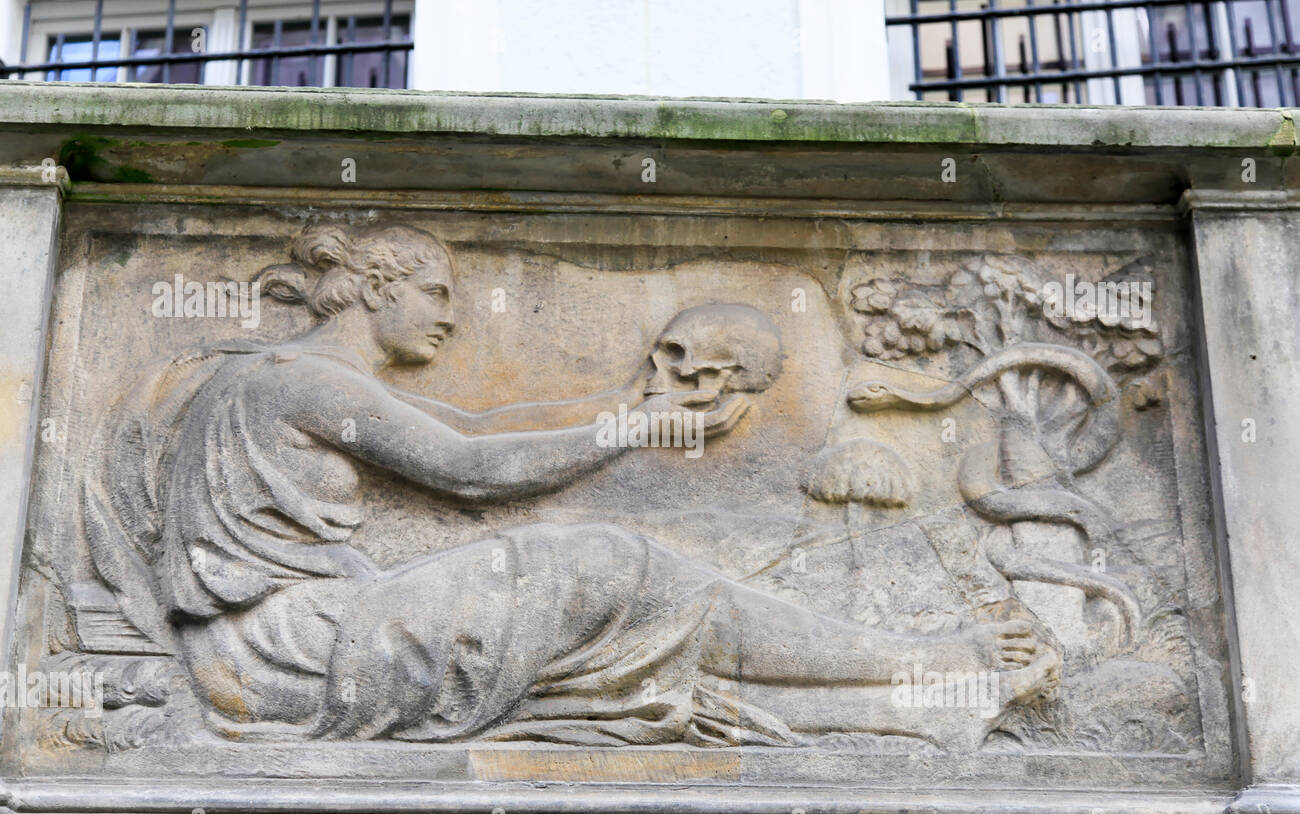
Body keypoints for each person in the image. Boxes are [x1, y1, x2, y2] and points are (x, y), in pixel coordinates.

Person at [84, 224, 1057, 748]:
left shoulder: (302, 379)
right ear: (380, 280)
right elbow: (469, 472)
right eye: (437, 293)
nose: (453, 318)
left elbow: (475, 423)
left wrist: (621, 404)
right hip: (293, 647)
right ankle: (926, 661)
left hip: (299, 631)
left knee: (623, 592)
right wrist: (639, 424)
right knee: (615, 566)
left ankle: (908, 679)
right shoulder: (297, 382)